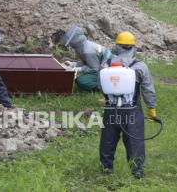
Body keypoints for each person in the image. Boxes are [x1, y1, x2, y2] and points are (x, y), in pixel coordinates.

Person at [99, 31, 157, 178]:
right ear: (133, 48)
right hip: (131, 110)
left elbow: (101, 86)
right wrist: (151, 108)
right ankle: (137, 173)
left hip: (110, 109)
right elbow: (148, 89)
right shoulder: (140, 67)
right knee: (135, 141)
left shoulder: (106, 66)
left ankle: (106, 169)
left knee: (108, 140)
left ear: (116, 47)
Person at [60, 26, 112, 91]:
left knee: (81, 80)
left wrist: (76, 69)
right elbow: (88, 61)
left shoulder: (88, 51)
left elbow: (94, 69)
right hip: (104, 66)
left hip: (108, 69)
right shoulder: (84, 46)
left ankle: (102, 87)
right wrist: (73, 64)